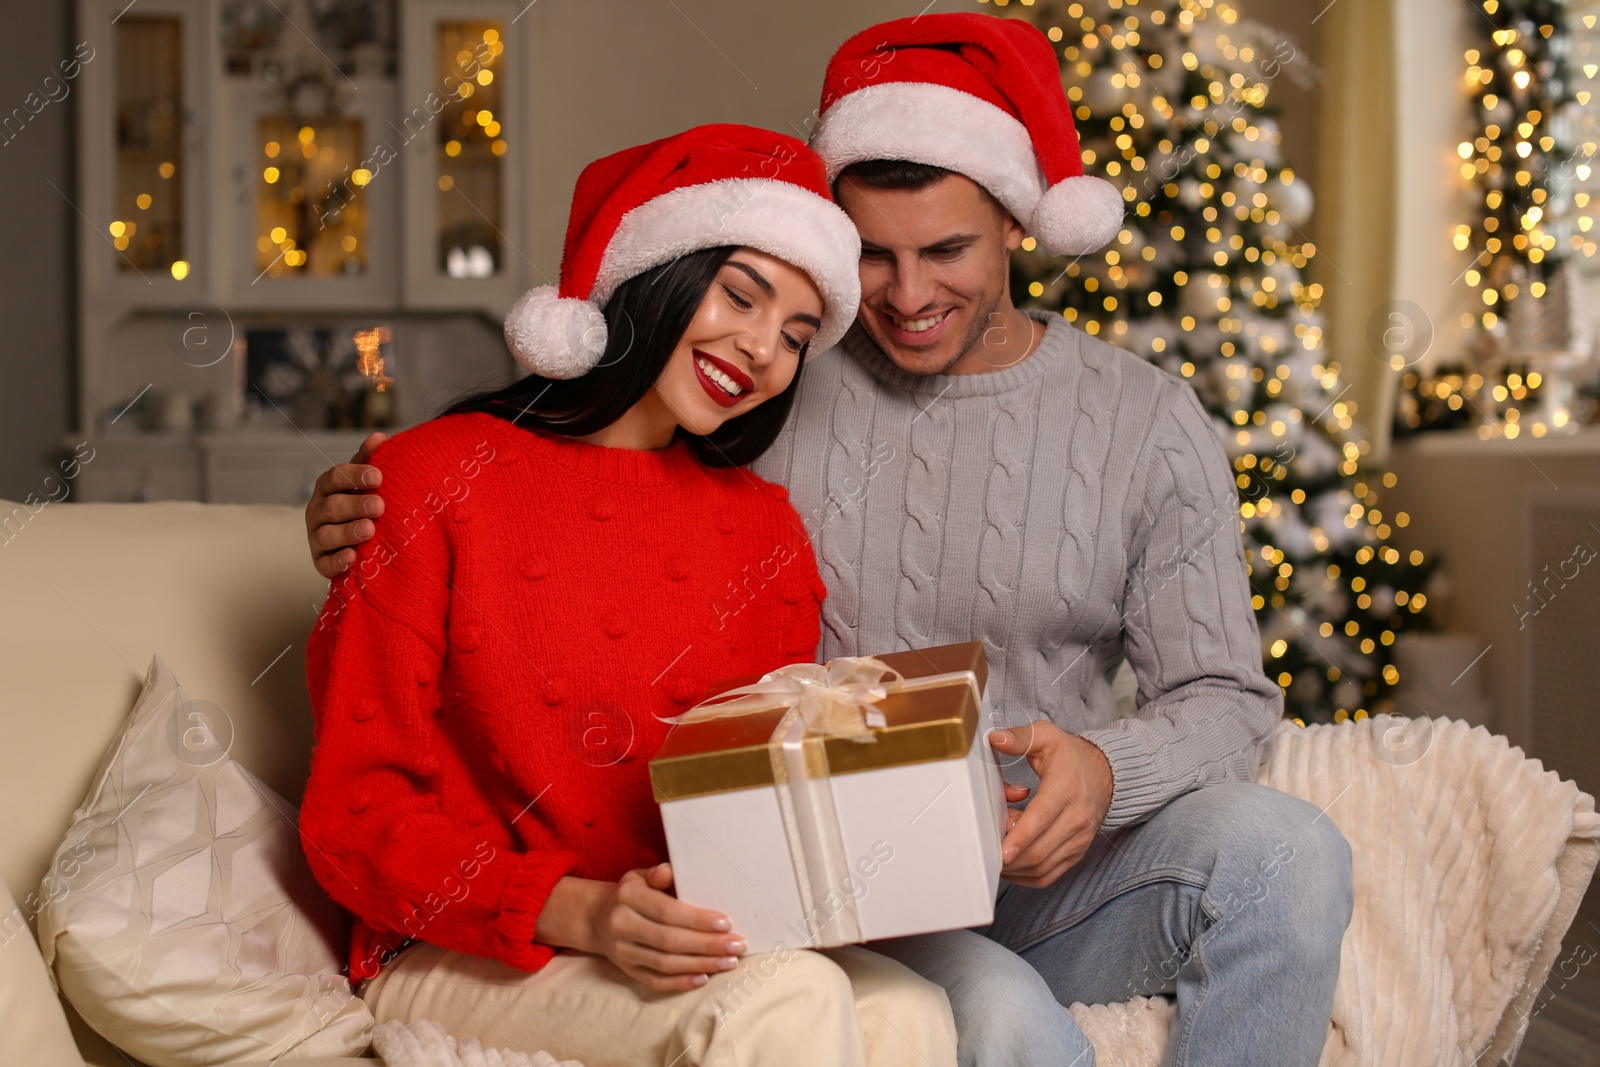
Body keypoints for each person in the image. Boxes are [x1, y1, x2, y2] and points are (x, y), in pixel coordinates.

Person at [306, 15, 1355, 1067]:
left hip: (1053, 870)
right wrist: (365, 511)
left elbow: (1228, 699)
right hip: (856, 890)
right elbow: (558, 487)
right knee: (991, 1017)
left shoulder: (1141, 420)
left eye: (945, 249)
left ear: (1019, 226)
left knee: (1289, 854)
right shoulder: (760, 405)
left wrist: (1102, 767)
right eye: (872, 257)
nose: (904, 297)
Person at [299, 124, 958, 1067]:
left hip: (676, 939)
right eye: (740, 295)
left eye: (797, 336)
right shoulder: (428, 477)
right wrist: (582, 911)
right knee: (793, 1002)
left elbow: (762, 796)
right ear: (661, 275)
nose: (762, 348)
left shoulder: (766, 529)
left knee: (912, 1010)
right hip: (460, 945)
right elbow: (352, 819)